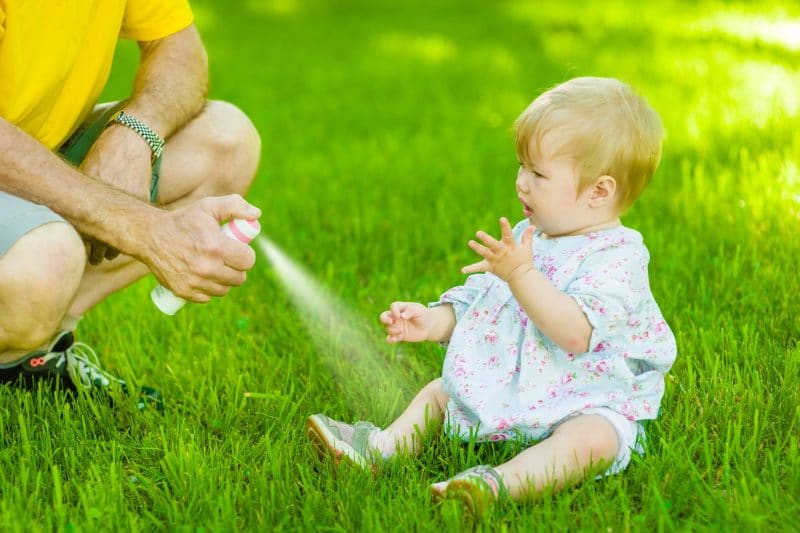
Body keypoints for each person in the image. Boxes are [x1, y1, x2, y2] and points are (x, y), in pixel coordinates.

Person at [306, 77, 677, 513]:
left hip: (587, 395)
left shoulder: (618, 258)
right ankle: (381, 449)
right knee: (442, 390)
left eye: (538, 173)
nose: (521, 182)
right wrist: (434, 320)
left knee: (594, 438)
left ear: (599, 191)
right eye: (522, 166)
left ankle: (496, 486)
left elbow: (576, 334)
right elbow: (486, 303)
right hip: (519, 381)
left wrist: (521, 273)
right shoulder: (528, 235)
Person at [0, 2, 261, 398]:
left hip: (37, 155)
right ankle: (28, 311)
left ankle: (34, 350)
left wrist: (133, 135)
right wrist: (138, 224)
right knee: (48, 259)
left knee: (226, 140)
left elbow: (179, 49)